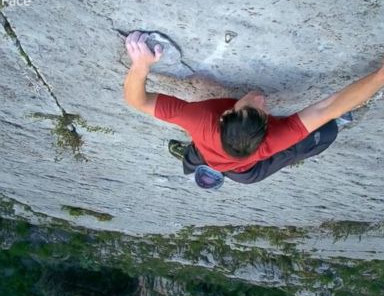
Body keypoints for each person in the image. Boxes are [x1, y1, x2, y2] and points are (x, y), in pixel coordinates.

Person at [123, 31, 384, 188]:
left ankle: (194, 159)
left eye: (256, 108)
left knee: (191, 160)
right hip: (246, 171)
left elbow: (138, 101)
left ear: (226, 115)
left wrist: (140, 66)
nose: (261, 100)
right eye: (259, 110)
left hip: (206, 152)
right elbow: (330, 107)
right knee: (316, 136)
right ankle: (340, 126)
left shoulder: (199, 120)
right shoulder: (273, 140)